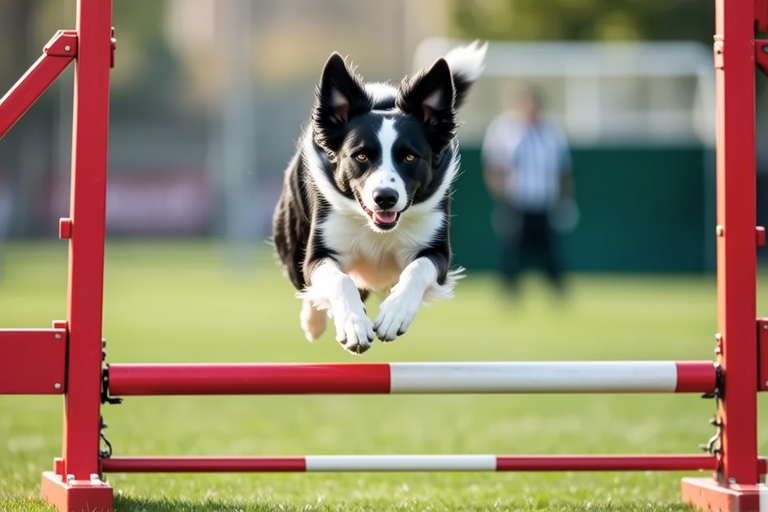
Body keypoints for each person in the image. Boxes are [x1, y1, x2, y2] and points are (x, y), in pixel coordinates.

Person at [481, 85, 576, 300]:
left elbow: (563, 170)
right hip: (516, 202)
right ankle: (509, 293)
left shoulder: (552, 132)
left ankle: (558, 291)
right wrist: (503, 198)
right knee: (512, 251)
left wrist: (565, 201)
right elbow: (495, 168)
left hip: (544, 202)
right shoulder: (504, 130)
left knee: (550, 252)